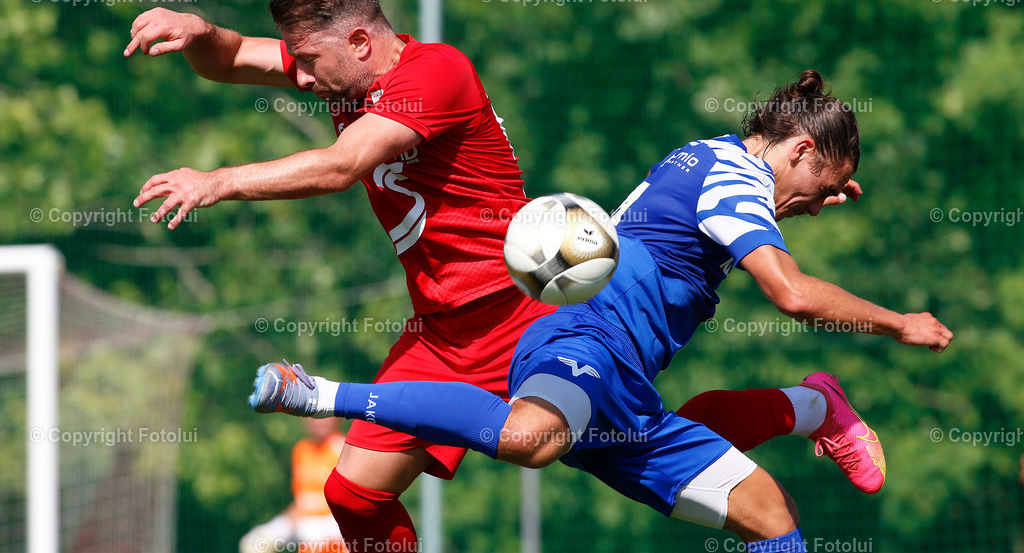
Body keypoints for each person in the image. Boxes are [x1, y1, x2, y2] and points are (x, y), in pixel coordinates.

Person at [127, 0, 896, 549]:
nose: (296, 75)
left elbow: (341, 167)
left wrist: (217, 179)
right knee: (355, 495)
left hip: (517, 311)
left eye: (307, 60)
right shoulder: (342, 72)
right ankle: (808, 407)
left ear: (360, 41)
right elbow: (234, 58)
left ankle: (809, 409)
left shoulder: (436, 73)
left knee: (573, 443)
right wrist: (200, 35)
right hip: (441, 328)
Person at [248, 73, 953, 551]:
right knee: (531, 438)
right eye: (815, 188)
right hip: (583, 338)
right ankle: (320, 391)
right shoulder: (735, 185)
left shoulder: (711, 159)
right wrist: (900, 322)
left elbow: (743, 211)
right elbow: (794, 294)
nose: (808, 205)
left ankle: (809, 405)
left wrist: (807, 193)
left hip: (625, 391)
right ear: (800, 149)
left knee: (771, 516)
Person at [240, 418, 348, 553]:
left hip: (338, 542)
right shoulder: (301, 451)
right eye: (314, 414)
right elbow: (302, 503)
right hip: (308, 542)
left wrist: (328, 526)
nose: (319, 420)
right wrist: (274, 530)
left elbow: (355, 503)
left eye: (325, 415)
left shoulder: (344, 449)